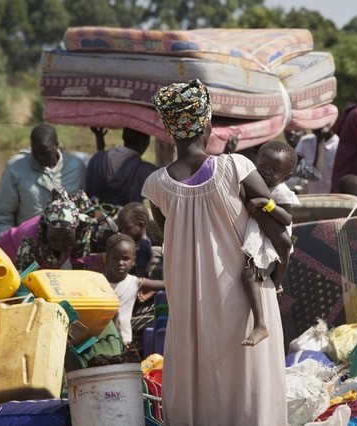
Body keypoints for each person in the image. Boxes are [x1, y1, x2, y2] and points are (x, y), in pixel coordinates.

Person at [142, 79, 288, 424]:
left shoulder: (156, 186)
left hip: (192, 306)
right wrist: (278, 273)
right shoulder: (236, 167)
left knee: (202, 386)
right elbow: (278, 233)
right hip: (244, 298)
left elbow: (176, 243)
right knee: (250, 389)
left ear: (169, 130)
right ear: (206, 122)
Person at [241, 140, 299, 346]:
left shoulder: (281, 191)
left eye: (274, 170)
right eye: (262, 166)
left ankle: (260, 323)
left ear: (287, 176)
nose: (266, 172)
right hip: (259, 237)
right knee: (248, 274)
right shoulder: (254, 183)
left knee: (248, 275)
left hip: (270, 243)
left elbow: (287, 219)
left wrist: (267, 204)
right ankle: (275, 287)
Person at [0, 123, 86, 238]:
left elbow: (85, 210)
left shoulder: (76, 168)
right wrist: (7, 244)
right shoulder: (16, 169)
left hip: (66, 244)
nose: (40, 157)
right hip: (26, 244)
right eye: (35, 153)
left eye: (45, 153)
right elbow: (3, 215)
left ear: (57, 146)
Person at [0, 186, 94, 272]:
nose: (59, 244)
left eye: (67, 239)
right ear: (45, 229)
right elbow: (24, 279)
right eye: (53, 238)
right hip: (6, 256)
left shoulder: (82, 228)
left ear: (76, 229)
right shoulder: (30, 239)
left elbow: (81, 267)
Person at [104, 233, 164, 347]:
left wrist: (152, 291)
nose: (120, 263)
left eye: (125, 258)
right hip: (103, 340)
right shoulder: (99, 281)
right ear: (107, 259)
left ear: (133, 261)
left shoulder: (134, 282)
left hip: (125, 340)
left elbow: (165, 285)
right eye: (115, 258)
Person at [86, 127, 158, 206]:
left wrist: (100, 150)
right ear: (146, 142)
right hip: (128, 217)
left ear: (123, 136)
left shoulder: (97, 158)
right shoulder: (146, 170)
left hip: (94, 214)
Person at [293, 126, 339, 194]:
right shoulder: (306, 141)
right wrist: (318, 143)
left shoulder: (338, 145)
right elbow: (293, 164)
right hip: (312, 196)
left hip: (331, 197)